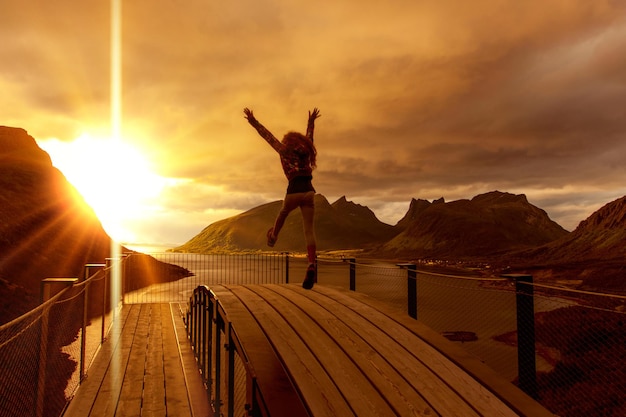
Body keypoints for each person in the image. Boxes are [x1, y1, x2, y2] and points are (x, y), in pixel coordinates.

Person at [244, 107, 320, 289]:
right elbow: (309, 135)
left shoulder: (284, 150)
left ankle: (273, 236)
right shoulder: (307, 149)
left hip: (293, 190)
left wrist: (253, 121)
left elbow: (267, 135)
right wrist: (311, 122)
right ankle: (311, 263)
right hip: (309, 191)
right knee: (309, 231)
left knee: (283, 213)